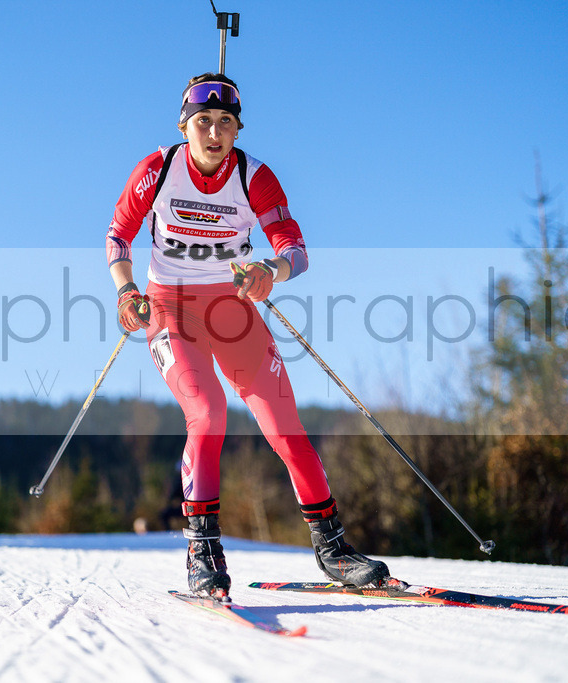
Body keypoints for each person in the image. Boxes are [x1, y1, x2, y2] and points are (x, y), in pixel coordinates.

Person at [105, 73, 390, 599]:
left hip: (234, 311)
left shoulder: (254, 177)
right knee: (208, 413)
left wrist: (270, 272)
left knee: (284, 426)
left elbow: (295, 249)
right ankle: (202, 552)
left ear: (238, 129)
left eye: (226, 123)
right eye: (203, 121)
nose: (214, 133)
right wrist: (126, 293)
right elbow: (118, 235)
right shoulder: (158, 170)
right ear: (183, 125)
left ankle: (333, 549)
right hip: (170, 311)